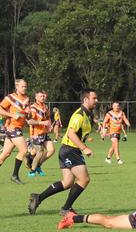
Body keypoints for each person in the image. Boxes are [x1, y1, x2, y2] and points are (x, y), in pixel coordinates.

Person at [28, 88, 99, 216]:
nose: (96, 100)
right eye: (94, 98)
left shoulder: (88, 114)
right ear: (85, 99)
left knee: (67, 183)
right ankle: (66, 208)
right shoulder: (79, 115)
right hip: (70, 150)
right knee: (84, 180)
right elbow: (71, 134)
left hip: (67, 150)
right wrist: (84, 148)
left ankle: (38, 198)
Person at [0, 79, 31, 184]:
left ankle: (14, 176)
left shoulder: (27, 99)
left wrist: (27, 115)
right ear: (17, 87)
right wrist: (12, 115)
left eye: (25, 86)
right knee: (24, 150)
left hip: (18, 128)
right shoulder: (10, 98)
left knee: (5, 154)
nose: (24, 88)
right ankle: (15, 175)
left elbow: (25, 113)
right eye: (22, 86)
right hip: (12, 128)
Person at [25, 91, 55, 177]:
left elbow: (48, 118)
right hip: (36, 134)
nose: (43, 97)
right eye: (41, 96)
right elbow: (30, 121)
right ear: (36, 97)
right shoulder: (33, 108)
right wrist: (42, 123)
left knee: (51, 150)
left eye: (44, 96)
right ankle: (32, 171)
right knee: (40, 152)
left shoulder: (45, 107)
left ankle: (37, 165)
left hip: (44, 133)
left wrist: (49, 125)